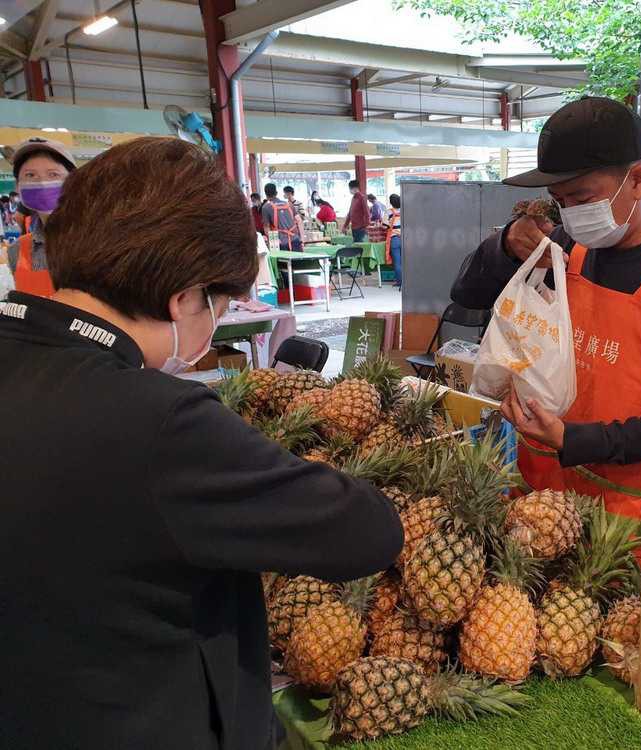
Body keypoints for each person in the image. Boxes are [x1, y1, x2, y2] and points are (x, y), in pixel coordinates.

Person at [0, 137, 402, 750]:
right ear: (183, 297)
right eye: (218, 303)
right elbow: (367, 531)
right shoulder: (158, 422)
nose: (213, 321)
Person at [452, 97, 641, 563]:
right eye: (560, 201)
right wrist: (504, 245)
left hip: (624, 533)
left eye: (582, 197)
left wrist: (570, 439)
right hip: (540, 512)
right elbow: (467, 292)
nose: (571, 214)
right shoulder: (569, 248)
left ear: (638, 180)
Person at [6, 138, 77, 297]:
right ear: (18, 187)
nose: (43, 183)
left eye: (53, 174)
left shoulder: (102, 242)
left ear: (74, 181)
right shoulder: (17, 252)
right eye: (30, 175)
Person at [262, 182, 303, 251]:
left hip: (280, 243)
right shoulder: (289, 204)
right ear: (276, 192)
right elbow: (299, 221)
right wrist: (302, 240)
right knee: (297, 261)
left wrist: (274, 245)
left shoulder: (266, 207)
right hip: (295, 240)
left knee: (282, 262)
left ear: (266, 194)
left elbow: (267, 228)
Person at [384, 193, 402, 289]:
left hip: (394, 239)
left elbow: (384, 225)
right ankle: (408, 281)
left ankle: (400, 282)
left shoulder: (389, 212)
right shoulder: (405, 210)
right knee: (406, 262)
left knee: (397, 262)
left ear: (391, 203)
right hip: (405, 238)